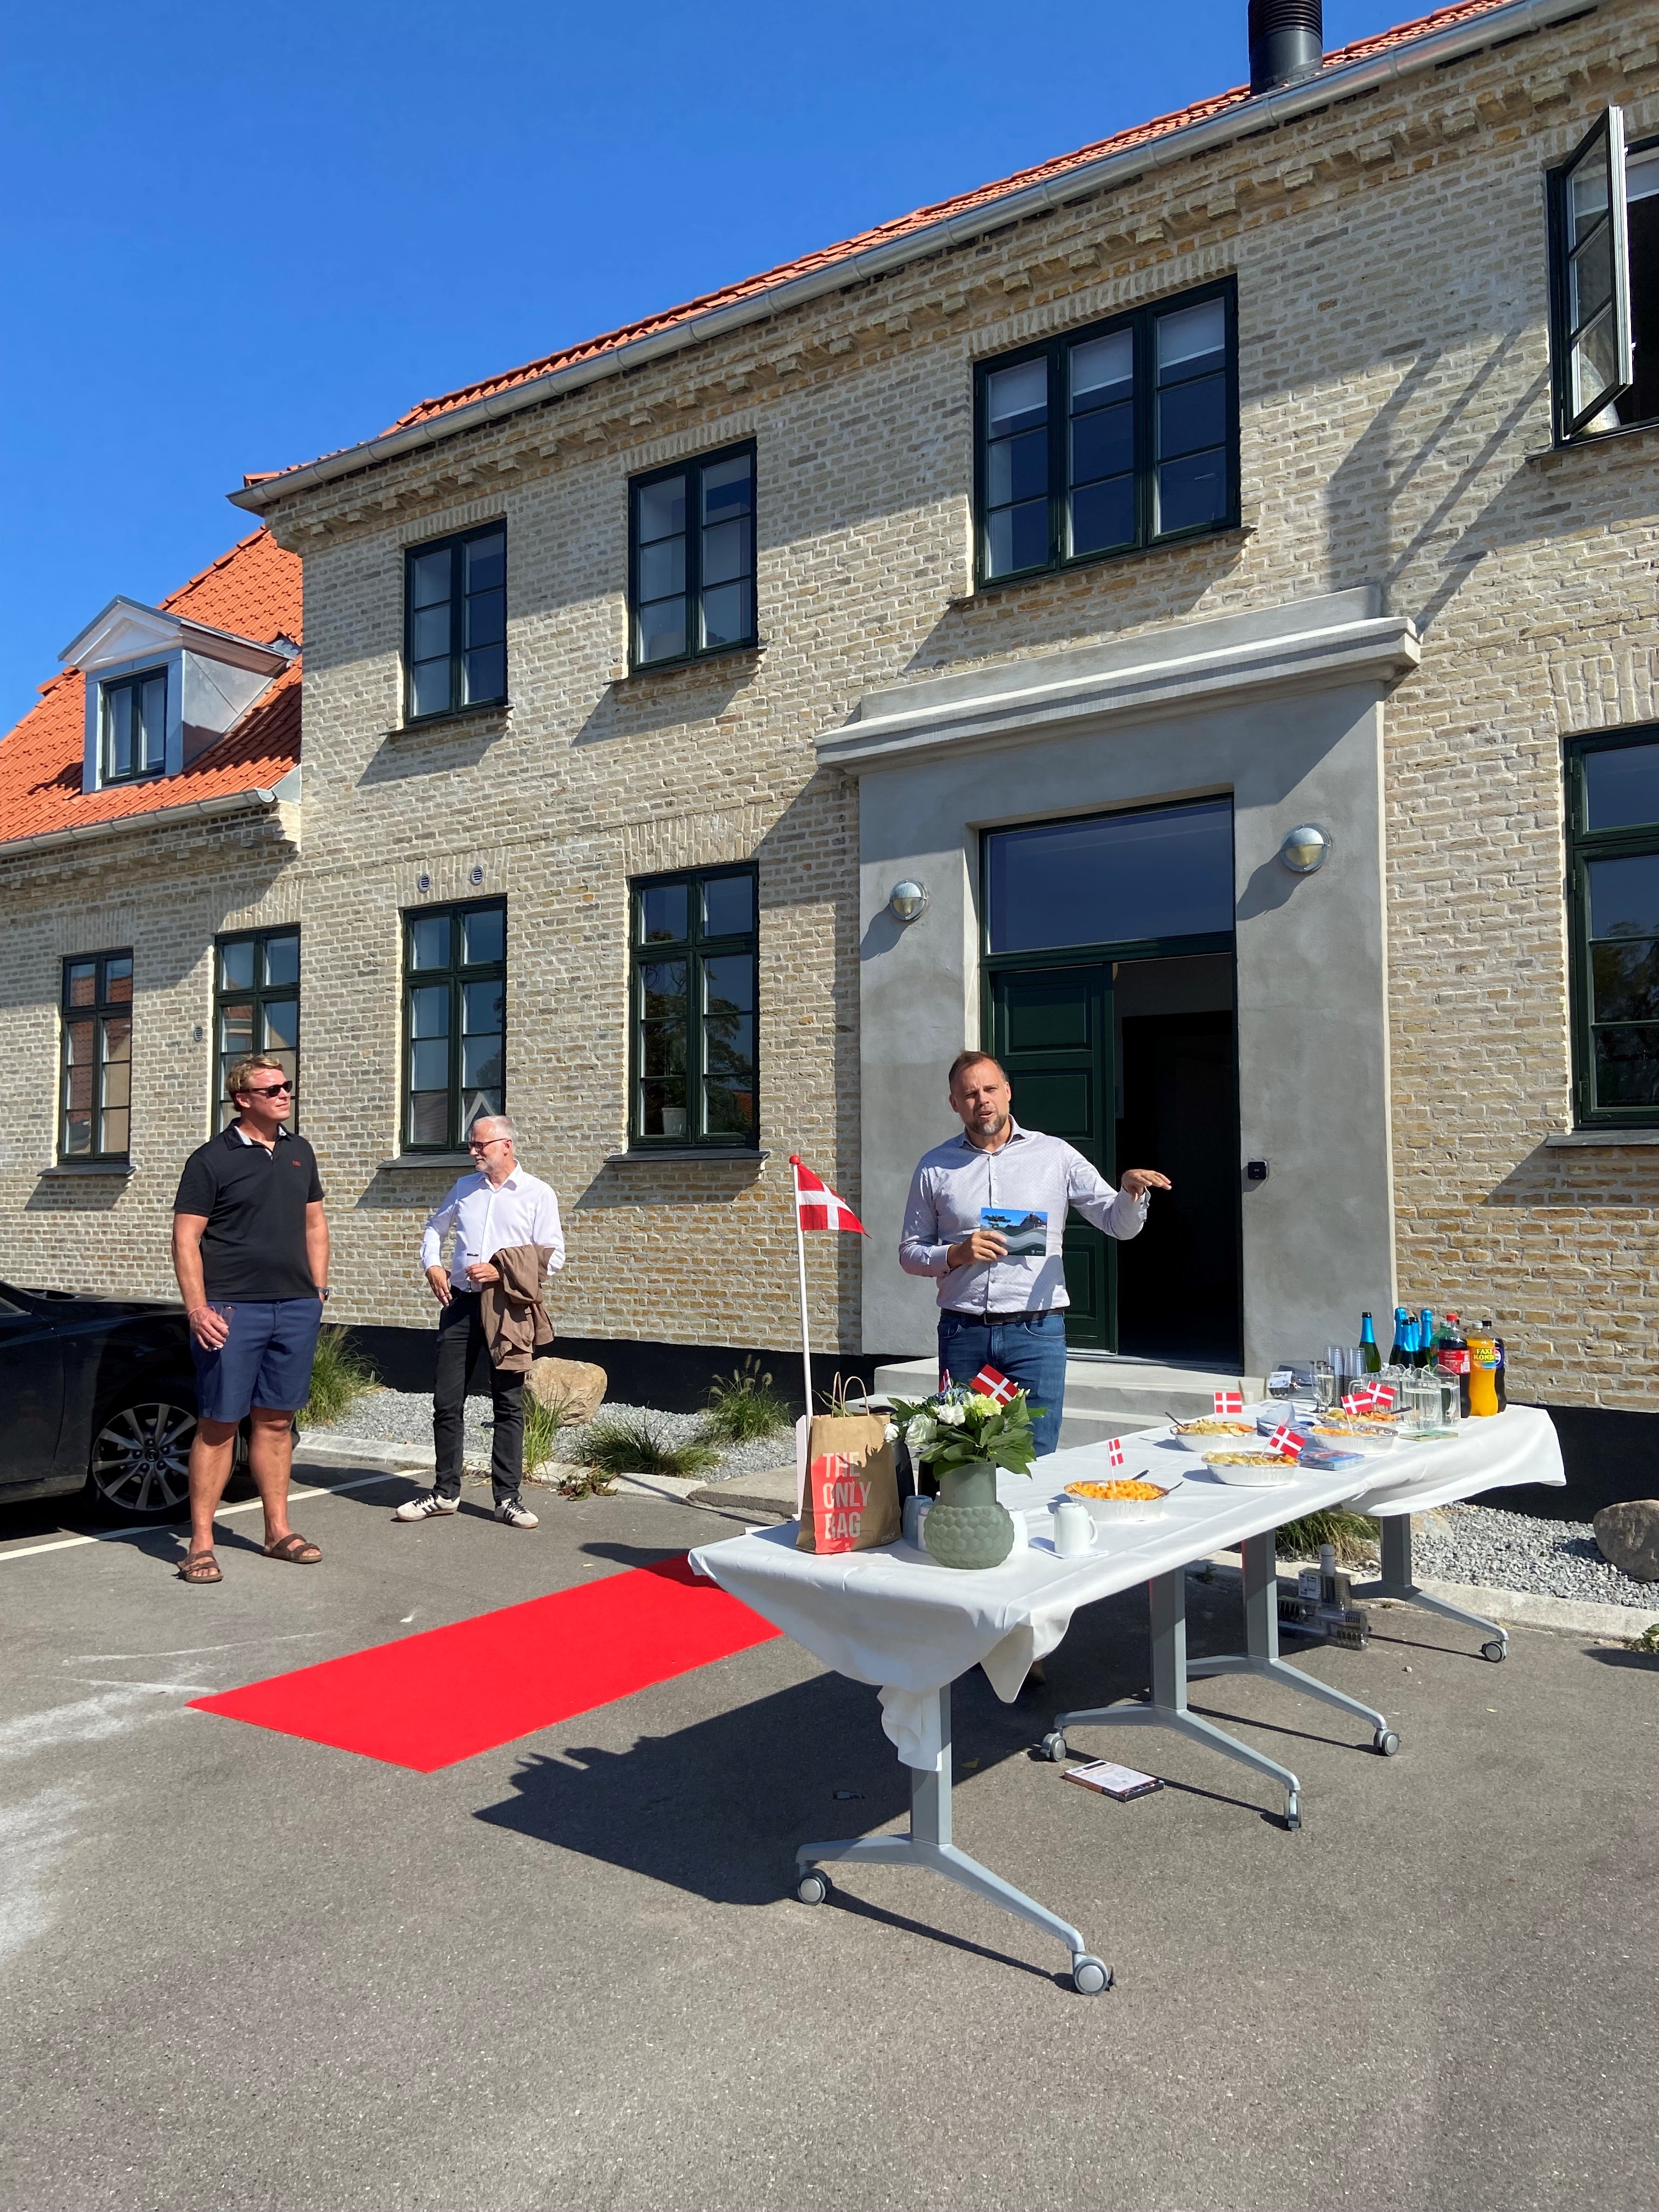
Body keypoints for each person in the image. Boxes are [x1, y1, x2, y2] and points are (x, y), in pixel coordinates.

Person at [899, 1051, 1171, 1456]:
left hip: (1036, 1334)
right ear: (954, 1103)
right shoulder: (935, 1167)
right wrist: (956, 1254)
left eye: (990, 1089)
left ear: (1008, 1092)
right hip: (964, 1334)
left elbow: (1117, 1224)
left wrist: (1130, 1194)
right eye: (970, 1094)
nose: (982, 1100)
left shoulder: (1055, 1156)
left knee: (1035, 1456)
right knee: (965, 1458)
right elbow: (910, 1253)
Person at [171, 1054, 329, 1583]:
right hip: (232, 1311)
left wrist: (318, 1291)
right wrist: (198, 1309)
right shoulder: (210, 1160)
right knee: (219, 1424)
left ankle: (277, 1531)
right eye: (272, 1089)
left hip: (295, 1307)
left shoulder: (299, 1151)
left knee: (277, 1422)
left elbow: (315, 1224)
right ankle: (200, 1543)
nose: (285, 1095)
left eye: (287, 1086)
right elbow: (186, 1240)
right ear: (243, 1099)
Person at [398, 1117, 565, 1530]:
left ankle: (507, 1499)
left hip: (506, 1308)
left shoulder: (537, 1193)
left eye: (480, 1145)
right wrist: (432, 1265)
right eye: (472, 1145)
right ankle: (444, 1493)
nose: (473, 1151)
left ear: (506, 1145)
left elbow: (554, 1256)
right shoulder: (464, 1188)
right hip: (459, 1305)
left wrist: (501, 1270)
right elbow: (434, 1228)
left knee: (508, 1403)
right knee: (446, 1401)